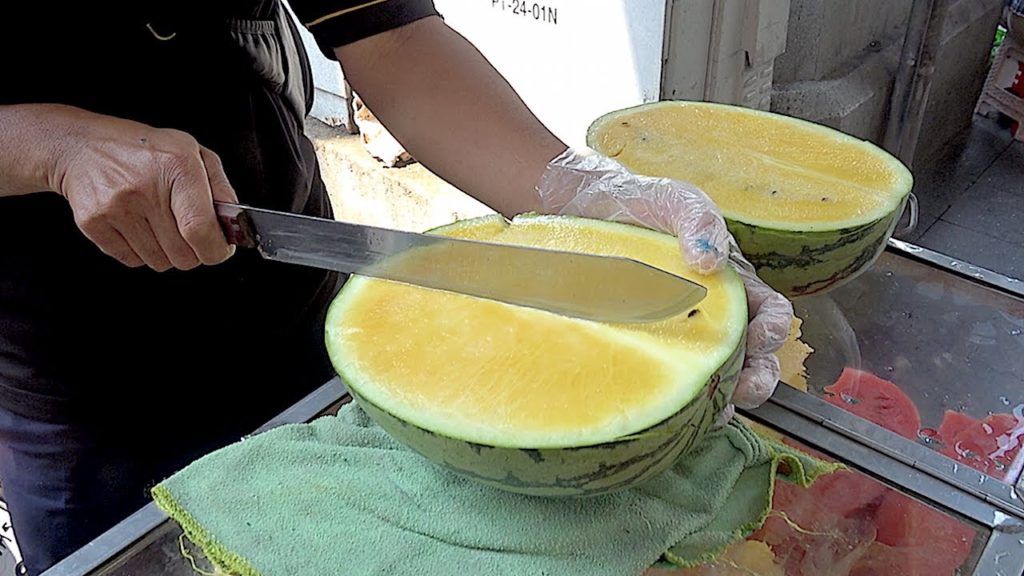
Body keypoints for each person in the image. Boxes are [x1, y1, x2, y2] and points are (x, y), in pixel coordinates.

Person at [0, 1, 793, 573]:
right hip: (75, 388)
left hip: (298, 304)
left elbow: (388, 33)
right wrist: (49, 145)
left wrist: (580, 189)